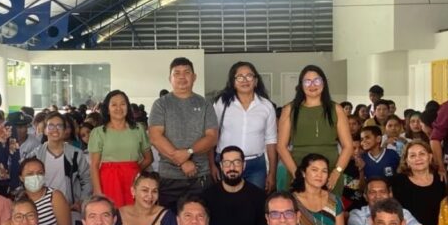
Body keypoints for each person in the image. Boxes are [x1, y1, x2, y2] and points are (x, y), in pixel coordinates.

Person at [148, 57, 218, 209]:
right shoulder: (161, 104)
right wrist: (182, 161)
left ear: (194, 77)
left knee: (199, 222)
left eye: (186, 72)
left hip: (200, 177)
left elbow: (212, 137)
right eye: (177, 73)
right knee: (170, 224)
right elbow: (155, 137)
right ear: (170, 78)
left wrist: (189, 152)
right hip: (169, 178)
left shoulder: (205, 104)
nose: (182, 77)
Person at [276, 66, 355, 195]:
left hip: (329, 173)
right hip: (298, 170)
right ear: (301, 85)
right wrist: (296, 173)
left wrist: (337, 171)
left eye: (316, 81)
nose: (312, 85)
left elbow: (348, 146)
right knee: (300, 213)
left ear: (324, 83)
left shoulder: (336, 109)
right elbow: (281, 147)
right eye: (307, 81)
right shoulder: (289, 109)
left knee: (330, 212)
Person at [212, 61, 278, 190]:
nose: (245, 80)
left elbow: (271, 141)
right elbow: (212, 135)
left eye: (249, 76)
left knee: (254, 204)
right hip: (226, 164)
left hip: (256, 166)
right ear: (233, 81)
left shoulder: (266, 106)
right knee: (226, 204)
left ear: (256, 81)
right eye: (240, 77)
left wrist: (272, 174)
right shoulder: (222, 103)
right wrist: (212, 165)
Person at [202, 146, 266, 225]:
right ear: (221, 166)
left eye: (237, 163)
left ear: (244, 165)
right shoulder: (207, 197)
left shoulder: (259, 197)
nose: (232, 168)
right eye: (227, 163)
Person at [89, 90, 153, 208]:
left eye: (123, 104)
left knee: (134, 216)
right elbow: (94, 165)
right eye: (114, 105)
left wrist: (135, 170)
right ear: (107, 109)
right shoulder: (98, 132)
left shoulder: (138, 129)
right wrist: (98, 191)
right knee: (112, 216)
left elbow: (149, 158)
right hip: (108, 181)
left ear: (128, 107)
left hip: (133, 180)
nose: (119, 108)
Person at [346, 177, 438, 225]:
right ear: (366, 196)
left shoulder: (403, 213)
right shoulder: (357, 214)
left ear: (390, 194)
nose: (378, 196)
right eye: (372, 192)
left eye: (382, 192)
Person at [27, 112, 92, 210]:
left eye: (59, 126)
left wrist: (81, 201)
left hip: (69, 207)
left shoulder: (76, 154)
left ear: (65, 130)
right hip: (41, 208)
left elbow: (87, 180)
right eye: (51, 126)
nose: (55, 130)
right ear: (44, 130)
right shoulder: (36, 155)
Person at [291, 154, 345, 225]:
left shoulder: (334, 201)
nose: (319, 175)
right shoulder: (291, 202)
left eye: (324, 171)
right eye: (314, 170)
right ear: (303, 173)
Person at [390, 140, 445, 225]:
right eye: (412, 155)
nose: (418, 158)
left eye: (422, 154)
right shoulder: (397, 182)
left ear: (430, 157)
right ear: (406, 161)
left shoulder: (441, 179)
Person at [19, 157, 72, 225]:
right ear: (21, 178)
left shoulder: (55, 196)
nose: (35, 177)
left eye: (39, 173)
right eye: (30, 174)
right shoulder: (18, 200)